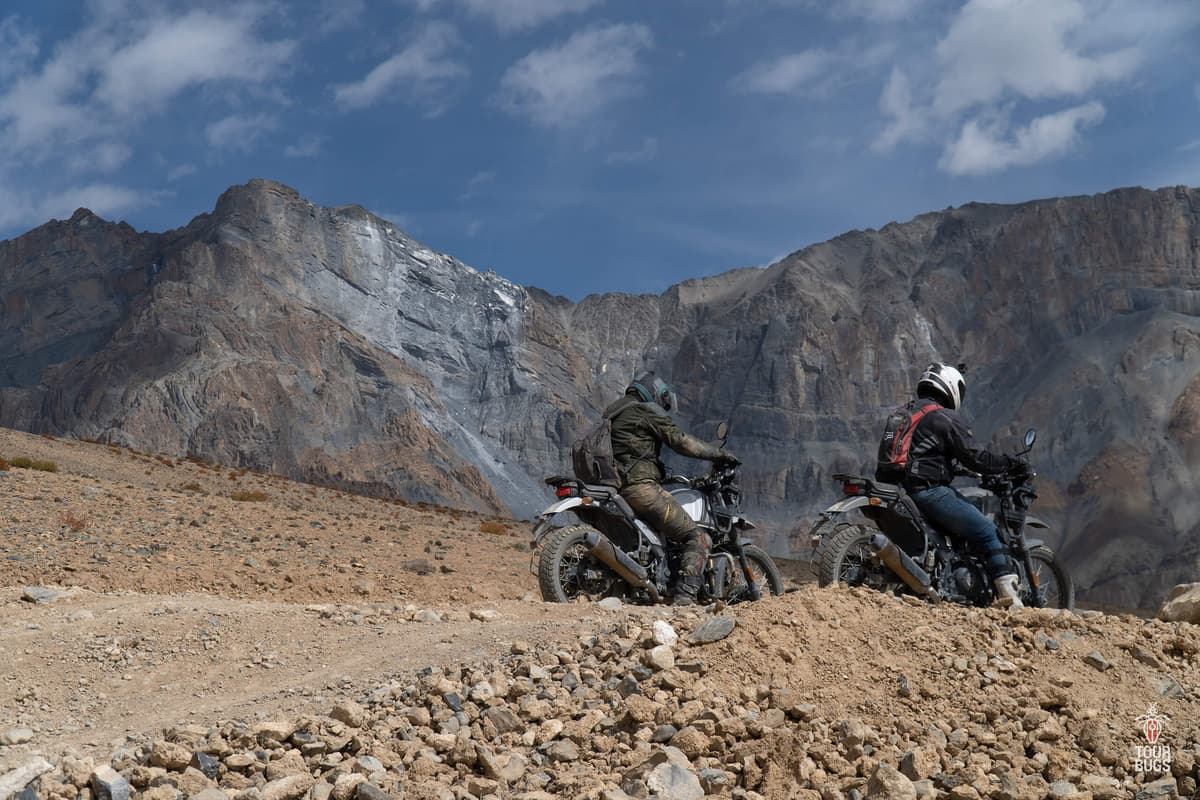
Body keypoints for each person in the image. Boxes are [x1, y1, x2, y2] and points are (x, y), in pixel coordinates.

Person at [882, 362, 1028, 608]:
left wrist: (956, 469)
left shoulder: (905, 413)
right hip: (929, 492)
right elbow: (976, 456)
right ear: (951, 387)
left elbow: (924, 456)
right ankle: (1013, 604)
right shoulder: (943, 417)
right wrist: (1009, 464)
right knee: (986, 531)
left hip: (900, 491)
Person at [606, 372, 738, 605]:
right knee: (697, 536)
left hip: (614, 487)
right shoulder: (644, 410)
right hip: (640, 489)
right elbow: (681, 441)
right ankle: (685, 598)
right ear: (656, 393)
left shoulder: (614, 411)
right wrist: (720, 454)